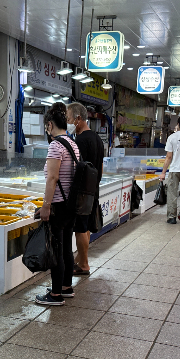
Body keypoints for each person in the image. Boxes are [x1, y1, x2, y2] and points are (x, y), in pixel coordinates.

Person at [35, 102, 80, 306]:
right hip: (71, 203)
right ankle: (66, 286)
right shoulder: (72, 143)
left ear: (50, 125)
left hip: (59, 205)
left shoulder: (56, 145)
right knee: (66, 248)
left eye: (46, 126)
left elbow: (52, 178)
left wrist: (46, 205)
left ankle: (55, 295)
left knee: (57, 249)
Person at [67, 102, 103, 276]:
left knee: (80, 228)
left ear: (78, 119)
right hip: (93, 188)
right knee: (86, 226)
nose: (68, 121)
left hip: (82, 191)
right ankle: (80, 260)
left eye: (69, 118)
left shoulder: (79, 141)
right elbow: (101, 166)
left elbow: (76, 168)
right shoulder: (97, 138)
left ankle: (84, 265)